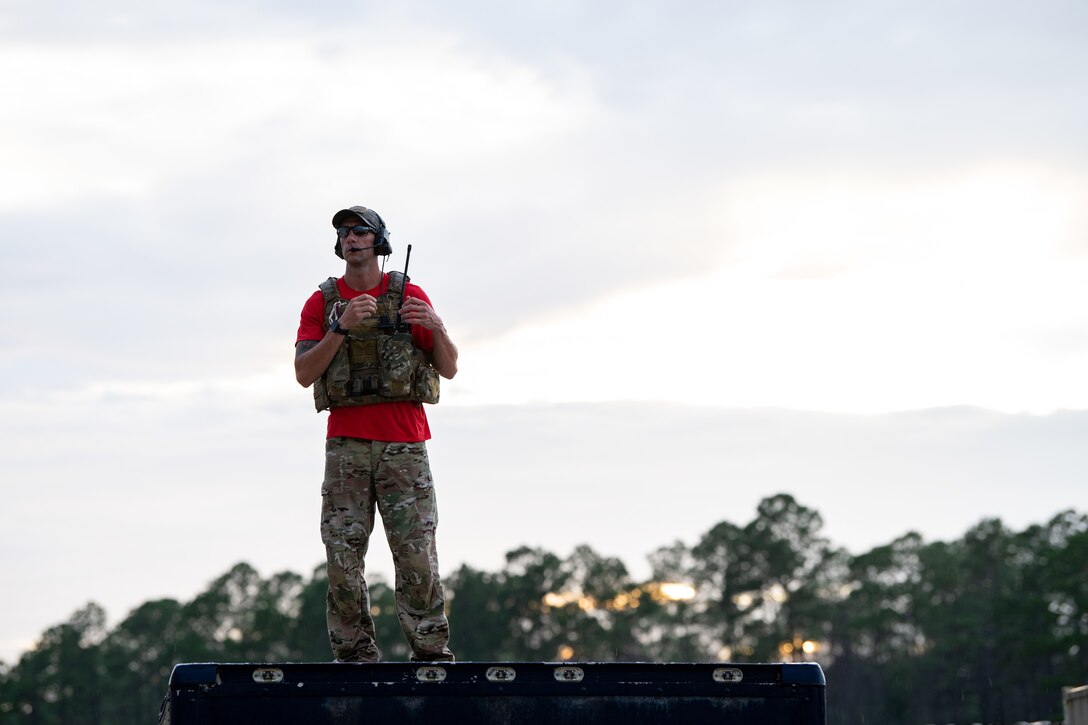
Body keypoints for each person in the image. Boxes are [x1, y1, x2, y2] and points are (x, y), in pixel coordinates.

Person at [294, 205, 458, 663]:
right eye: (344, 232)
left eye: (360, 231)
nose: (350, 238)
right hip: (346, 447)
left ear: (378, 240)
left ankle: (430, 651)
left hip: (404, 444)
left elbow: (448, 367)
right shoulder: (322, 304)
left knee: (415, 555)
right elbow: (305, 373)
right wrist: (339, 328)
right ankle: (353, 655)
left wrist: (437, 328)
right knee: (342, 556)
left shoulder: (408, 293)